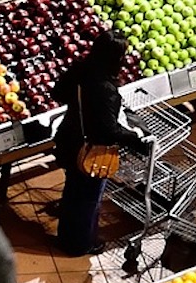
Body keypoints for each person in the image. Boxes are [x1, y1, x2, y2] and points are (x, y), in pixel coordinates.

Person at [51, 31, 150, 257]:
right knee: (87, 199)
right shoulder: (106, 89)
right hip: (90, 152)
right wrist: (135, 137)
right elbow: (108, 130)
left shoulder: (80, 70)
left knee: (72, 191)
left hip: (69, 139)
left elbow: (58, 92)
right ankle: (81, 244)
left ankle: (66, 238)